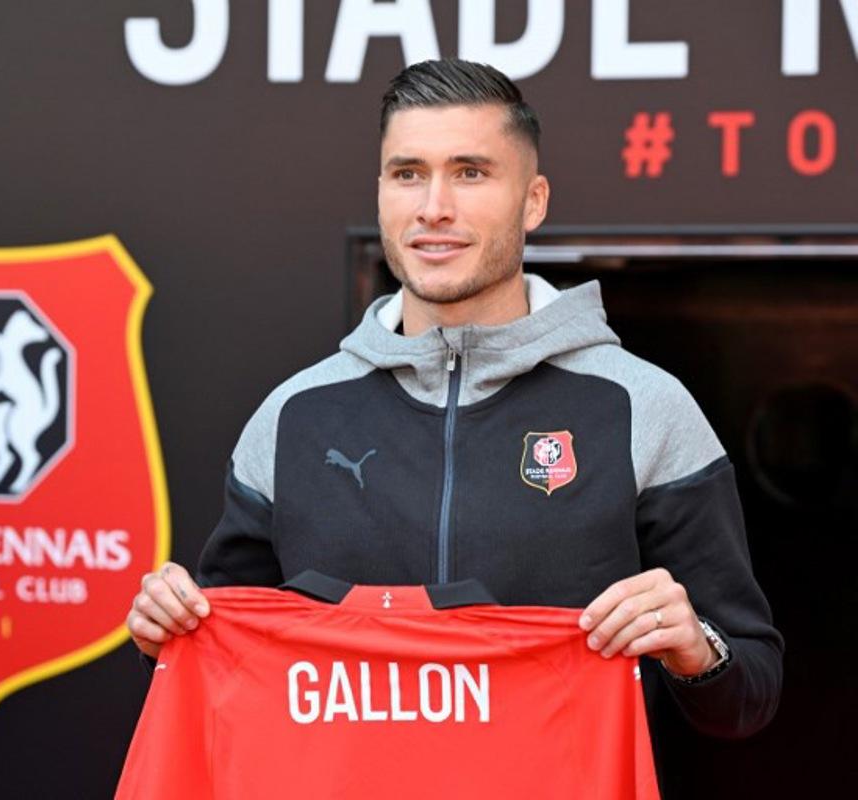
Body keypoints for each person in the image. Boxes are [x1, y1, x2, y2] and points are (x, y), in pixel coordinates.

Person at [126, 59, 782, 749]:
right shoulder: (293, 416)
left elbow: (750, 693)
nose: (433, 207)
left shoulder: (643, 407)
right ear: (381, 192)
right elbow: (222, 665)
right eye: (408, 173)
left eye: (470, 173)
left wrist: (698, 649)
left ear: (533, 200)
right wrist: (167, 634)